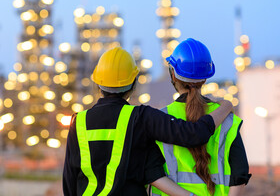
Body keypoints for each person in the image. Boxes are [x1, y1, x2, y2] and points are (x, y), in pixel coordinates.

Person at [63, 46, 233, 196]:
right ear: (133, 83)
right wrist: (226, 106)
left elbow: (69, 181)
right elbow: (194, 135)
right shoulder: (141, 117)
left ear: (98, 84)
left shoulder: (78, 122)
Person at [151, 38, 251, 196]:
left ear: (173, 75)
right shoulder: (227, 120)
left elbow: (152, 173)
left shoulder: (159, 119)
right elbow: (240, 173)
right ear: (205, 78)